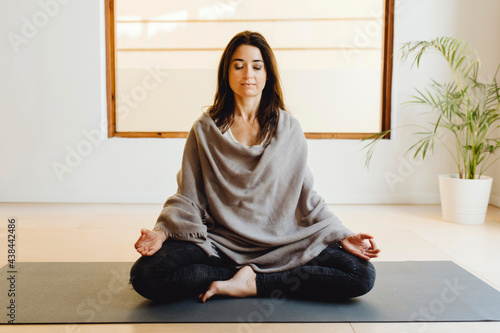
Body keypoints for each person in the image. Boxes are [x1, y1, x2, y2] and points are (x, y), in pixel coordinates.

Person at [130, 31, 380, 303]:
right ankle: (240, 273)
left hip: (283, 244)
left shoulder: (289, 129)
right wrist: (162, 231)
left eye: (256, 66)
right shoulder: (204, 129)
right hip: (221, 245)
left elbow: (305, 196)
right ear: (226, 73)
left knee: (360, 274)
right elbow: (189, 196)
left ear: (267, 74)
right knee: (146, 275)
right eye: (238, 66)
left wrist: (342, 235)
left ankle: (253, 282)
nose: (247, 73)